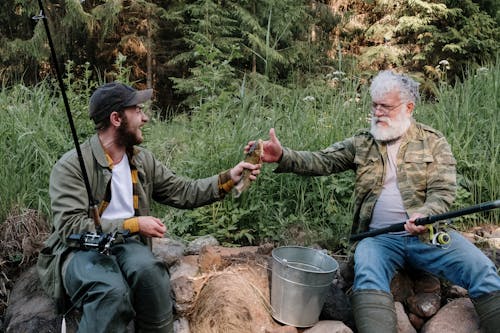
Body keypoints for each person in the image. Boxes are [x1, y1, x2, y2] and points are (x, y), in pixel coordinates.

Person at [248, 70, 500, 333]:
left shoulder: (434, 142)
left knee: (480, 267)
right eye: (375, 105)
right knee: (367, 267)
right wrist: (282, 156)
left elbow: (443, 191)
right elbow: (321, 160)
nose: (378, 112)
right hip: (378, 239)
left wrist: (426, 214)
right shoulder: (362, 143)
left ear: (409, 107)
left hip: (428, 236)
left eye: (386, 107)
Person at [37, 82, 261, 333]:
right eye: (138, 110)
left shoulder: (142, 160)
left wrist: (229, 178)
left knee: (152, 276)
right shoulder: (71, 166)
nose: (145, 117)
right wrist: (134, 224)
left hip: (126, 245)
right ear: (116, 118)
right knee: (110, 292)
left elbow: (183, 191)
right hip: (81, 251)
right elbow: (71, 229)